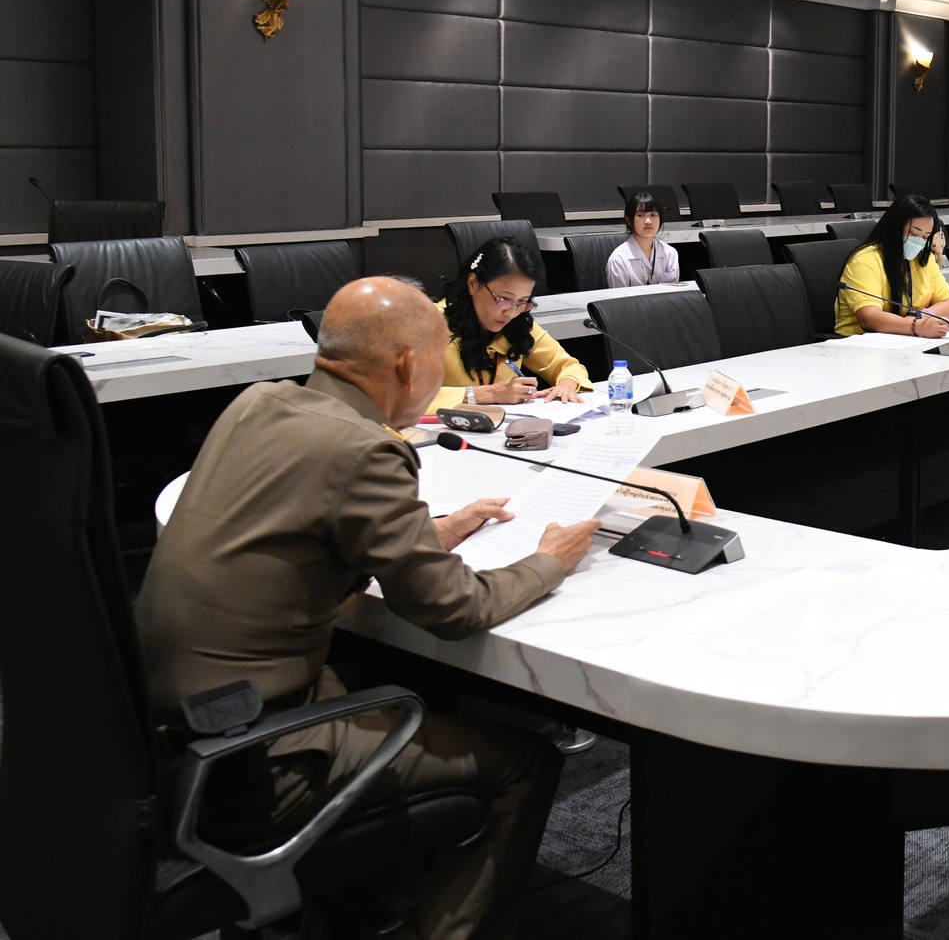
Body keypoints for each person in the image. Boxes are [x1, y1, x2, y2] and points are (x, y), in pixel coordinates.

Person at [135, 278, 601, 939]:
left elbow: (301, 529)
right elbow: (454, 608)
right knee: (527, 763)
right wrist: (550, 560)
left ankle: (355, 905)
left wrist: (430, 533)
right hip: (254, 759)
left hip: (162, 732)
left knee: (400, 684)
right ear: (410, 364)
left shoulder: (256, 403)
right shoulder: (368, 448)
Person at [434, 237, 593, 410]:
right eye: (504, 298)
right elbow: (411, 396)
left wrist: (566, 386)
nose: (511, 312)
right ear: (472, 283)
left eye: (523, 301)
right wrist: (490, 394)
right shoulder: (429, 325)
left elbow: (568, 366)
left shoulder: (518, 322)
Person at [834, 194, 949, 337]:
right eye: (914, 233)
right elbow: (869, 318)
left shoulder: (924, 259)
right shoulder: (865, 261)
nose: (919, 242)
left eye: (925, 237)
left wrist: (917, 316)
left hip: (903, 339)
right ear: (895, 227)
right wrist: (915, 326)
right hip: (857, 343)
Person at [606, 190, 681, 287]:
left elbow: (673, 293)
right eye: (641, 215)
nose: (648, 221)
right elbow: (619, 296)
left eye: (653, 215)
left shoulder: (670, 253)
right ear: (629, 220)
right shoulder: (618, 259)